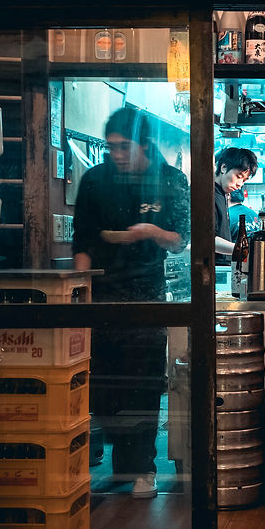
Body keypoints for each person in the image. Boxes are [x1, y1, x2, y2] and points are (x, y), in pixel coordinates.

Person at [72, 107, 190, 499]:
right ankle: (113, 465)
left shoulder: (170, 180)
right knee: (102, 387)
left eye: (124, 147)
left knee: (142, 386)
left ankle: (142, 470)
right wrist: (79, 298)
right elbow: (83, 240)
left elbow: (181, 240)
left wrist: (152, 231)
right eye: (111, 147)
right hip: (101, 297)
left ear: (145, 144)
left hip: (146, 296)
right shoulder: (95, 179)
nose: (116, 154)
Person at [214, 147, 258, 257]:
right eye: (238, 176)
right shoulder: (209, 195)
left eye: (244, 180)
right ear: (223, 167)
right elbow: (207, 239)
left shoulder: (222, 193)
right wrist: (242, 249)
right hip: (213, 264)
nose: (240, 184)